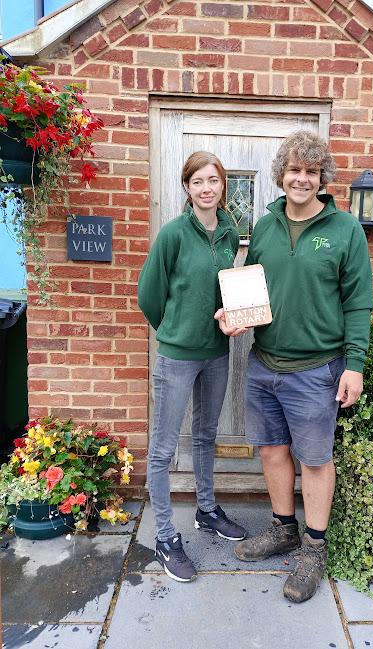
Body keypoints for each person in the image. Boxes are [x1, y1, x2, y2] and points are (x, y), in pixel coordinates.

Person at [216, 130, 373, 603]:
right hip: (264, 363)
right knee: (270, 451)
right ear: (281, 175)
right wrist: (235, 316)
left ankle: (314, 548)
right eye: (294, 170)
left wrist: (355, 366)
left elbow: (359, 303)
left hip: (316, 368)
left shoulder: (344, 230)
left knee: (316, 459)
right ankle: (283, 528)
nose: (301, 179)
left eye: (310, 171)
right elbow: (253, 287)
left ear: (321, 177)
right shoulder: (264, 227)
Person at [138, 151, 246, 584]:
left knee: (206, 435)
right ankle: (165, 537)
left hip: (217, 353)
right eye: (198, 181)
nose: (206, 188)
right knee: (163, 450)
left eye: (214, 180)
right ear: (187, 188)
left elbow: (225, 290)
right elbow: (149, 292)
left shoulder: (229, 232)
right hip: (178, 356)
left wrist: (229, 316)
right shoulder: (173, 235)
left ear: (222, 186)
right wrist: (173, 328)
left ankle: (206, 510)